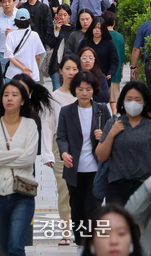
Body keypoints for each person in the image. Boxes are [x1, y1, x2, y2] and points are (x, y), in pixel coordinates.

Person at [0, 80, 39, 256]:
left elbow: (29, 158)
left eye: (15, 95)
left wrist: (0, 155)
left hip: (22, 194)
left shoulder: (30, 125)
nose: (9, 99)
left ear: (22, 100)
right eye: (6, 95)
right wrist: (18, 152)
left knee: (16, 246)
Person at [57, 71, 111, 254]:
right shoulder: (66, 112)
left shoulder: (102, 111)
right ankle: (81, 244)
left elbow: (111, 136)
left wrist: (103, 135)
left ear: (93, 90)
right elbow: (61, 137)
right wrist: (64, 153)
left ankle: (93, 244)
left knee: (93, 207)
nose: (84, 93)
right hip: (75, 169)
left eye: (88, 89)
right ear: (75, 90)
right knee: (78, 208)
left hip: (97, 169)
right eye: (80, 89)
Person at [96, 81, 151, 206]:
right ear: (123, 101)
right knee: (117, 224)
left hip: (143, 186)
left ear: (144, 102)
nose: (133, 103)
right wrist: (111, 134)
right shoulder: (112, 124)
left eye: (138, 99)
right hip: (116, 186)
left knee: (139, 224)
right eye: (129, 99)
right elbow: (101, 156)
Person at [42, 54, 81, 245]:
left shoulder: (84, 94)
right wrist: (47, 153)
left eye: (75, 69)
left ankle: (82, 231)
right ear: (60, 71)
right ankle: (67, 232)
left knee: (83, 189)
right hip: (61, 147)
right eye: (67, 68)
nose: (71, 73)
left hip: (84, 147)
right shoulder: (53, 98)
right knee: (64, 188)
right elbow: (48, 126)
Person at [4, 7, 45, 81]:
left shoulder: (10, 35)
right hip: (31, 75)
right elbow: (39, 56)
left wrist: (22, 68)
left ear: (16, 21)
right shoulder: (34, 35)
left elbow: (9, 56)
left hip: (13, 75)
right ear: (29, 21)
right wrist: (35, 68)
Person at [79, 16, 119, 85]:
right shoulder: (85, 42)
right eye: (95, 28)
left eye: (100, 28)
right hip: (86, 78)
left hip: (103, 79)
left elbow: (115, 60)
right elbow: (78, 57)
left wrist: (111, 73)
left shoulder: (109, 44)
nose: (97, 30)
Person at [102, 11, 126, 115]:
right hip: (116, 71)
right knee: (114, 98)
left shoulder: (102, 36)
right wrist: (121, 70)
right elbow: (122, 55)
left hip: (103, 72)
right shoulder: (120, 37)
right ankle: (115, 114)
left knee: (102, 97)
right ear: (114, 23)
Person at [45, 4, 74, 89]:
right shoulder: (52, 27)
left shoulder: (74, 30)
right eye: (60, 14)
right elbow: (50, 43)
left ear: (69, 16)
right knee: (56, 90)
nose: (62, 17)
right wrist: (57, 29)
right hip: (56, 64)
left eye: (65, 15)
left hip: (69, 63)